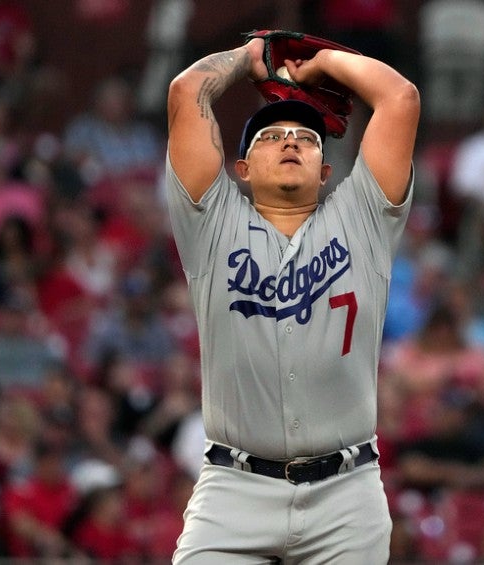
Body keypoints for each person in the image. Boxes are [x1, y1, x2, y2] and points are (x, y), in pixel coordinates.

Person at [165, 29, 419, 563]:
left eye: (306, 139)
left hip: (346, 494)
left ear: (327, 172)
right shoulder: (210, 225)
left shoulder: (363, 220)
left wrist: (323, 63)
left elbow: (400, 99)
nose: (289, 142)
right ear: (241, 169)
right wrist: (248, 58)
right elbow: (188, 92)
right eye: (270, 137)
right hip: (235, 489)